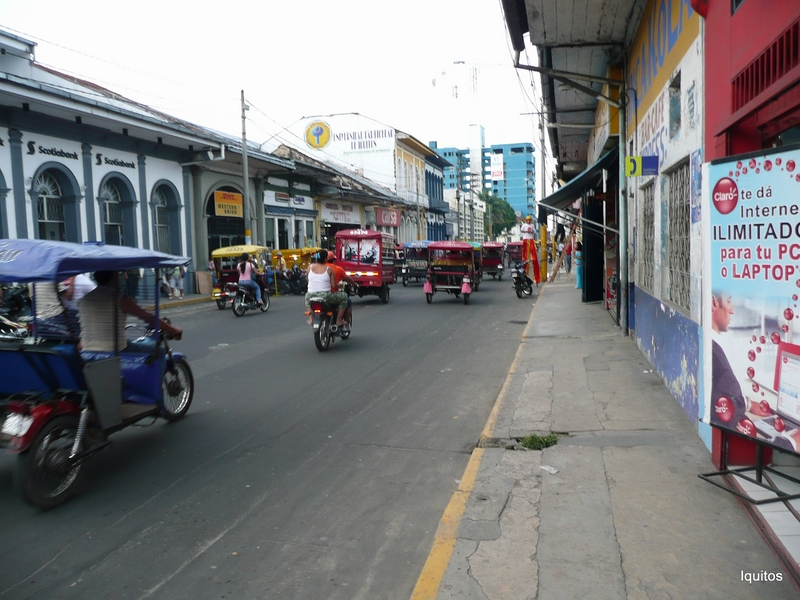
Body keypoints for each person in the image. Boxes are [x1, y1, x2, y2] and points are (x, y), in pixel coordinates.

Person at [78, 270, 181, 352]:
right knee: (160, 352)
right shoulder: (121, 300)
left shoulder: (83, 300)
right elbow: (149, 318)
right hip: (115, 350)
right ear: (113, 278)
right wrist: (173, 330)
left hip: (87, 350)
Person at [710, 291, 772, 427]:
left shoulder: (707, 344)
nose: (732, 310)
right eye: (728, 301)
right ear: (714, 303)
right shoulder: (715, 355)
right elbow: (730, 414)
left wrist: (747, 404)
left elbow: (719, 395)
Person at [304, 251, 347, 328]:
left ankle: (311, 318)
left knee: (307, 299)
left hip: (310, 295)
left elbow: (307, 279)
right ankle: (339, 320)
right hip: (325, 296)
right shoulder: (329, 269)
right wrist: (342, 285)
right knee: (344, 297)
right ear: (326, 259)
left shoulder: (309, 267)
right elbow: (334, 285)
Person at [327, 251, 357, 330]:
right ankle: (340, 321)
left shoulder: (318, 269)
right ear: (333, 260)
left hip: (317, 295)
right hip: (332, 294)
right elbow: (347, 279)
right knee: (347, 300)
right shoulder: (337, 269)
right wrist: (354, 284)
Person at [520, 215, 540, 283]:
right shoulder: (524, 225)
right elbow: (522, 230)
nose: (528, 221)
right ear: (526, 220)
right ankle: (525, 275)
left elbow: (534, 232)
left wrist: (531, 231)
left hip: (531, 241)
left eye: (529, 220)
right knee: (525, 258)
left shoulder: (532, 225)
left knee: (534, 258)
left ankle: (537, 278)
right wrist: (526, 231)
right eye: (527, 220)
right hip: (526, 241)